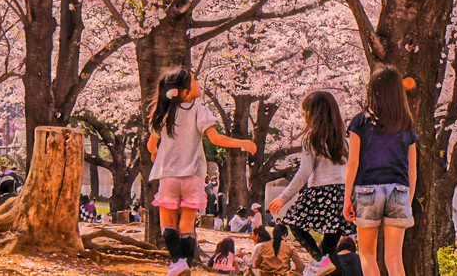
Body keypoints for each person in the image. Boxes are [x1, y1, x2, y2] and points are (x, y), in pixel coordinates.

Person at [147, 67, 258, 276]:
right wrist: (243, 142)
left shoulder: (162, 113)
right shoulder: (200, 110)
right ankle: (186, 264)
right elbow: (216, 139)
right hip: (193, 175)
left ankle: (177, 262)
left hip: (168, 175)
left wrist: (155, 155)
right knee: (187, 224)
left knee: (168, 222)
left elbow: (151, 145)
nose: (198, 84)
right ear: (185, 92)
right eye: (195, 82)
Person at [269, 91, 357, 276]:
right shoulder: (346, 140)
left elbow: (304, 172)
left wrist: (283, 198)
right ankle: (323, 261)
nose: (304, 117)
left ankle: (319, 260)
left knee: (294, 223)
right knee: (329, 248)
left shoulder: (312, 138)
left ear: (314, 113)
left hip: (320, 193)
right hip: (342, 195)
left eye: (305, 113)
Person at [343, 68, 417, 276]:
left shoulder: (360, 122)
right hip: (399, 190)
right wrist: (407, 198)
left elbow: (353, 162)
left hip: (367, 190)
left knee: (367, 254)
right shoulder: (407, 125)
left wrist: (347, 198)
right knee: (394, 259)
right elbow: (412, 168)